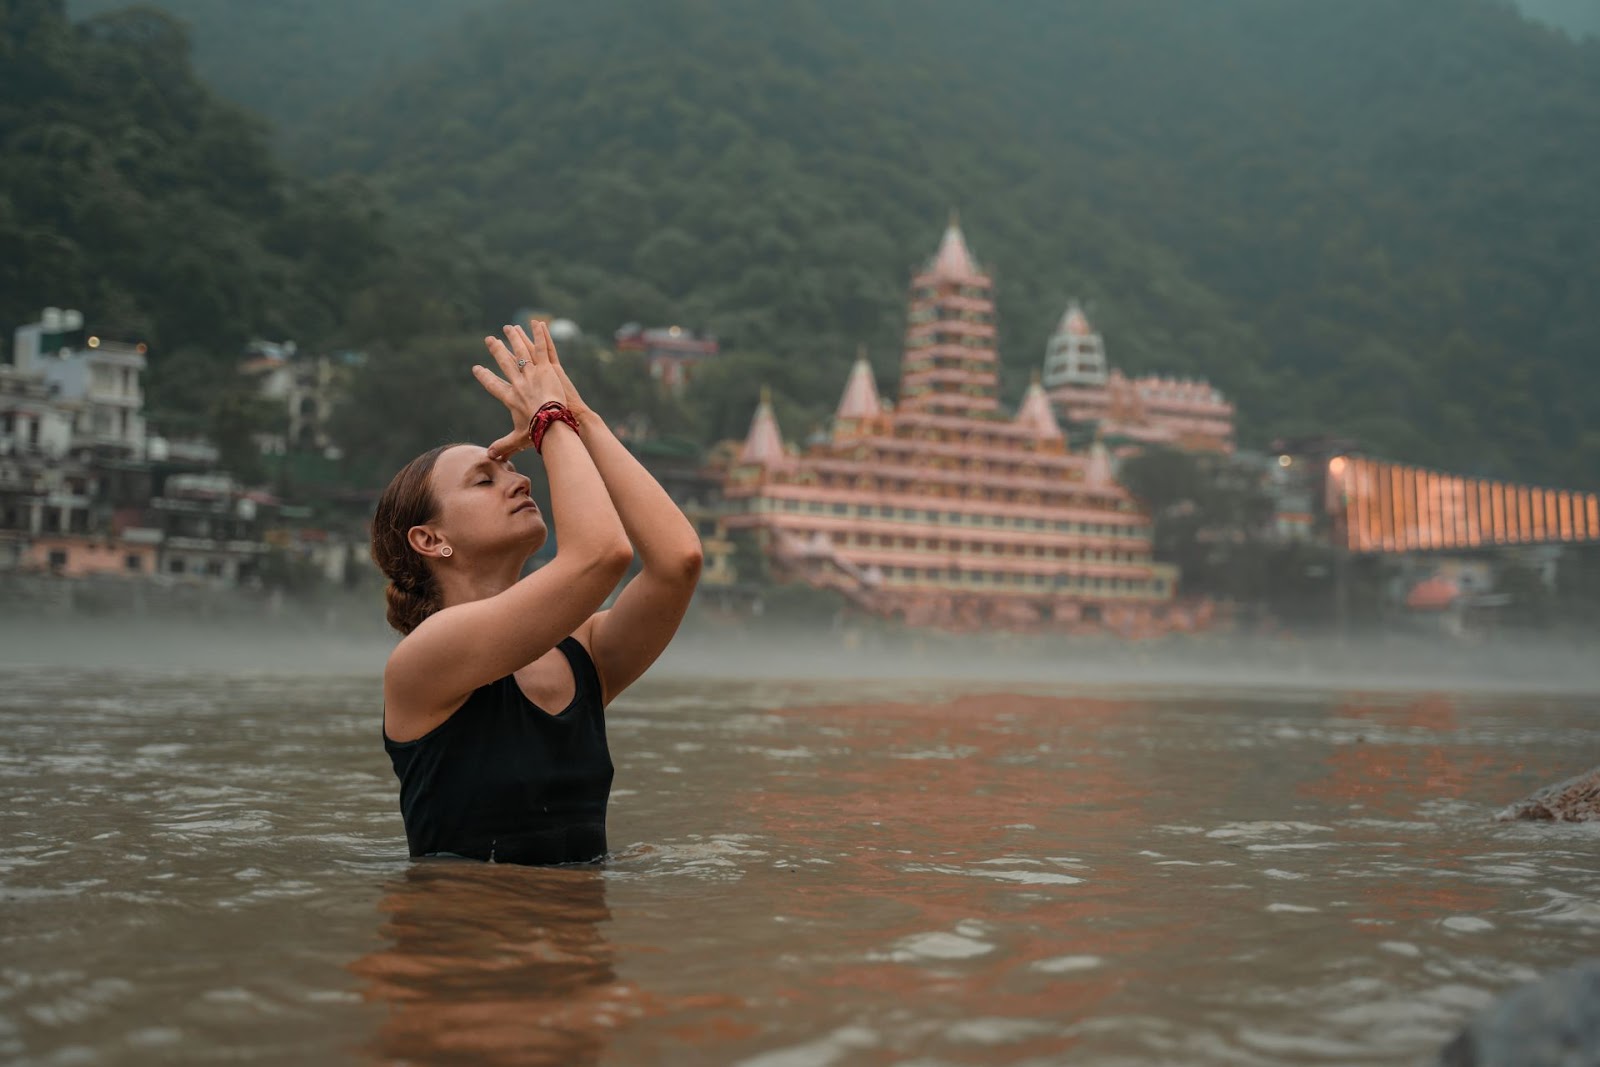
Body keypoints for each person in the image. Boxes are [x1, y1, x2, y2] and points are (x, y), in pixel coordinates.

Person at [369, 320, 702, 864]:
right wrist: (549, 422)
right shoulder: (425, 658)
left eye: (513, 469)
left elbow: (677, 562)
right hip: (460, 943)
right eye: (485, 480)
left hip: (575, 945)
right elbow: (600, 555)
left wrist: (582, 417)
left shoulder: (584, 656)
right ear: (430, 539)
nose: (520, 480)